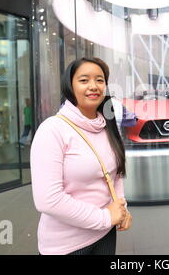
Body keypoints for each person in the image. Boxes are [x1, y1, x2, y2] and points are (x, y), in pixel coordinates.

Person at [30, 57, 132, 255]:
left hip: (105, 234)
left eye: (100, 80)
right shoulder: (52, 129)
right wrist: (104, 218)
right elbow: (47, 200)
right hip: (67, 245)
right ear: (70, 86)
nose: (93, 86)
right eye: (84, 80)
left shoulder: (106, 125)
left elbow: (115, 175)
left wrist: (121, 208)